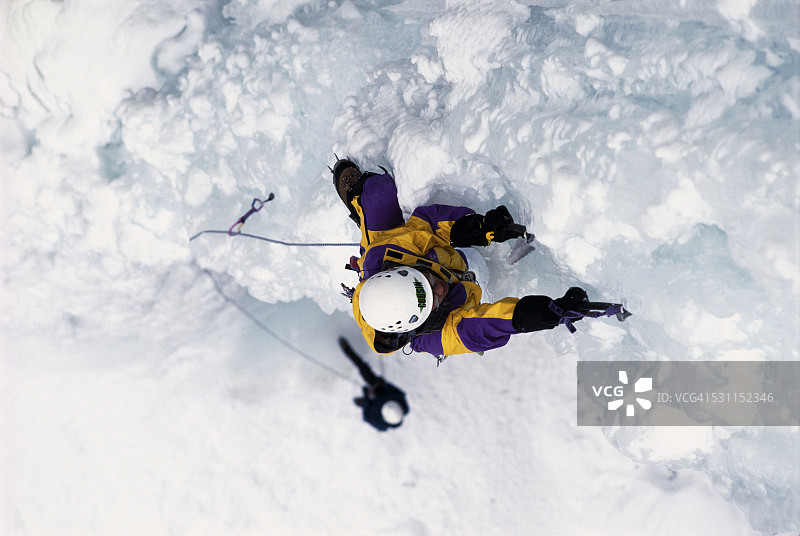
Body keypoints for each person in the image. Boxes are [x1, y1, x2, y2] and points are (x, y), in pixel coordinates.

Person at [331, 156, 606, 358]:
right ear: (419, 321)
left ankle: (360, 204)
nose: (440, 287)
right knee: (459, 271)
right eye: (434, 298)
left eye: (425, 280)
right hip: (467, 274)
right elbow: (484, 328)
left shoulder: (387, 253)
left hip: (397, 248)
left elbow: (428, 223)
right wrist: (547, 313)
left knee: (378, 192)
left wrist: (479, 228)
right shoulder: (432, 337)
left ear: (403, 271)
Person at [339, 337, 409, 431]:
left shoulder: (378, 422)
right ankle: (347, 349)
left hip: (371, 401)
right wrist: (384, 384)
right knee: (364, 369)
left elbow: (366, 416)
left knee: (357, 401)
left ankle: (361, 401)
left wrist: (367, 399)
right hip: (380, 389)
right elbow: (398, 392)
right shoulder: (403, 405)